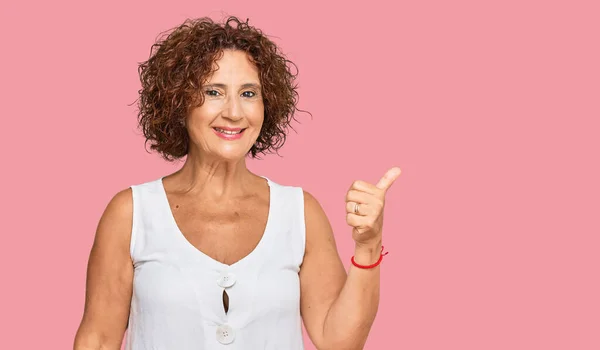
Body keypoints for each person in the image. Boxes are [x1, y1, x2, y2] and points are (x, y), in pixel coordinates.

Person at [73, 16, 401, 350]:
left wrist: (368, 245)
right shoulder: (131, 213)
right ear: (178, 101)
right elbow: (98, 340)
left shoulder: (300, 212)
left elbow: (340, 342)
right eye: (213, 92)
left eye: (248, 93)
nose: (233, 112)